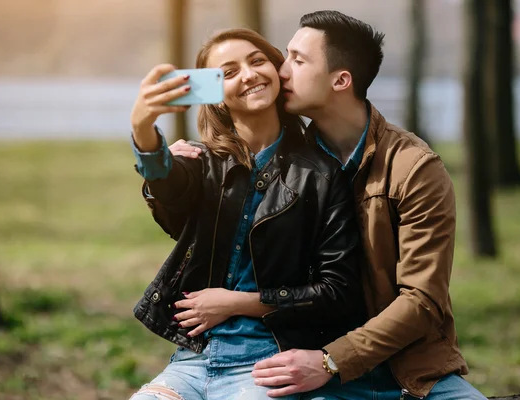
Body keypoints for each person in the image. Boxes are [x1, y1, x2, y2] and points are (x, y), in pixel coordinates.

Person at [172, 10, 487, 400]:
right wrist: (165, 164)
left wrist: (330, 360)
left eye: (298, 61)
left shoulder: (413, 168)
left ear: (341, 80)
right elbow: (200, 198)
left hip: (404, 368)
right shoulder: (281, 158)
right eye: (284, 56)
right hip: (296, 355)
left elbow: (422, 302)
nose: (279, 71)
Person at [128, 27, 365, 400]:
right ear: (215, 96)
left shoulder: (321, 175)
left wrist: (235, 301)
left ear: (277, 71)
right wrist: (143, 128)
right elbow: (169, 187)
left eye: (257, 62)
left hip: (267, 361)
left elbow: (337, 291)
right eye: (229, 72)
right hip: (191, 362)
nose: (249, 75)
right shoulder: (198, 162)